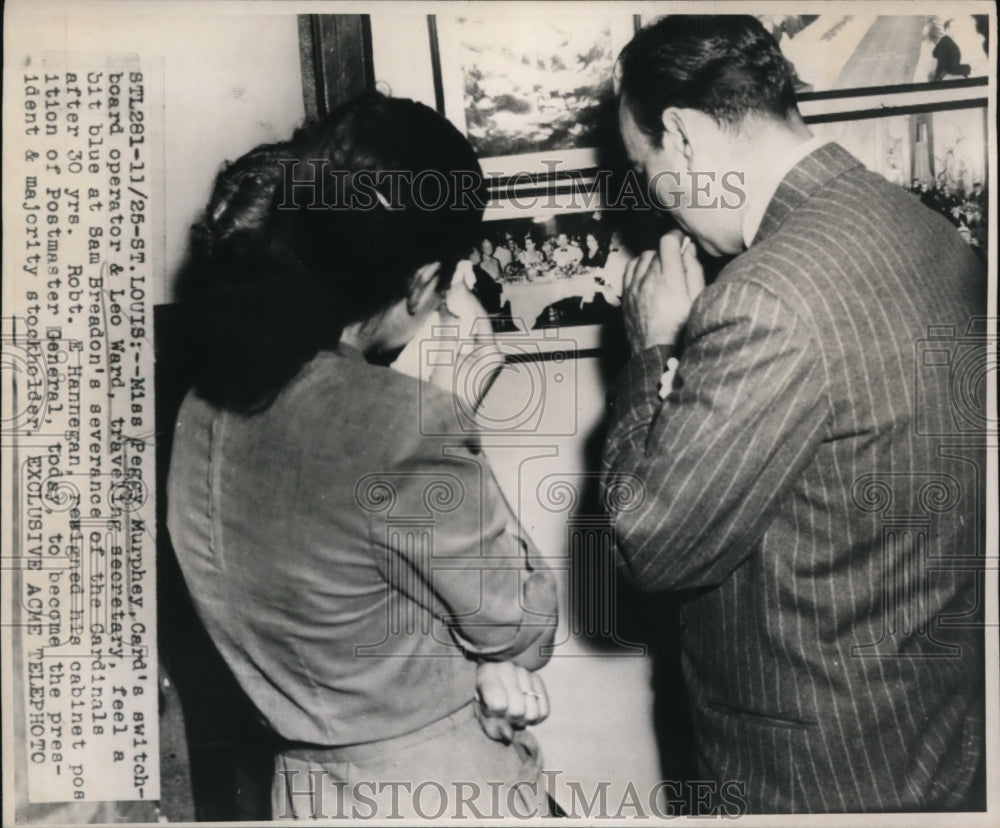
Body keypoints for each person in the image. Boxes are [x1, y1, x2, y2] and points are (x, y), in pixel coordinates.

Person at [604, 16, 985, 814]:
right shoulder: (932, 236)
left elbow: (651, 546)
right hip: (938, 745)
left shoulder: (763, 295)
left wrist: (652, 349)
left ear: (681, 132)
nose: (662, 205)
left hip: (809, 775)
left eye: (648, 172)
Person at [168, 93, 559, 820]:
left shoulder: (203, 405)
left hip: (305, 791)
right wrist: (444, 414)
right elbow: (522, 628)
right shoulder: (402, 422)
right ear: (419, 283)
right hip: (439, 792)